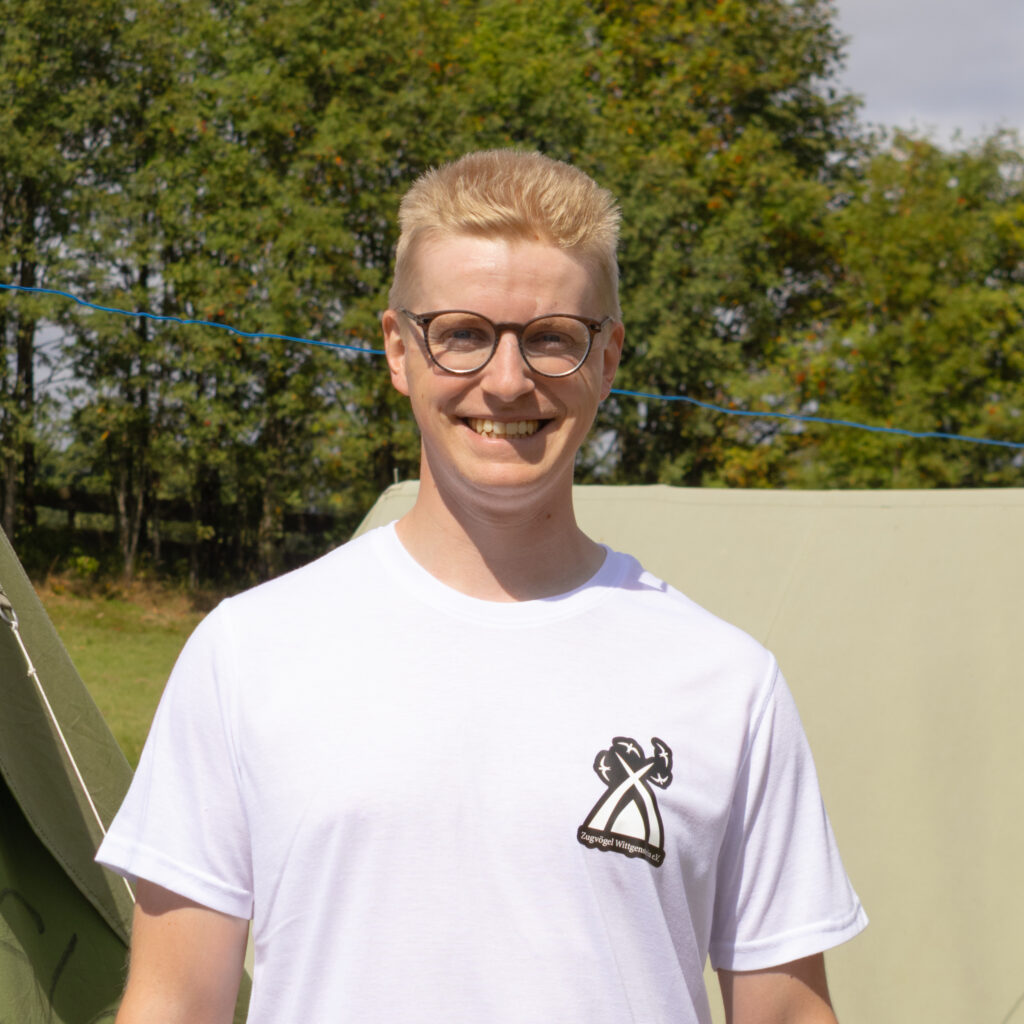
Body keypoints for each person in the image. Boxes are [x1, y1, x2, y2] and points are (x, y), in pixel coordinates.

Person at [97, 149, 866, 1024]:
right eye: (462, 333)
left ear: (607, 358)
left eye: (552, 337)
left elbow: (787, 1015)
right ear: (399, 349)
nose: (506, 381)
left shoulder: (727, 683)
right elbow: (172, 1003)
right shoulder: (249, 651)